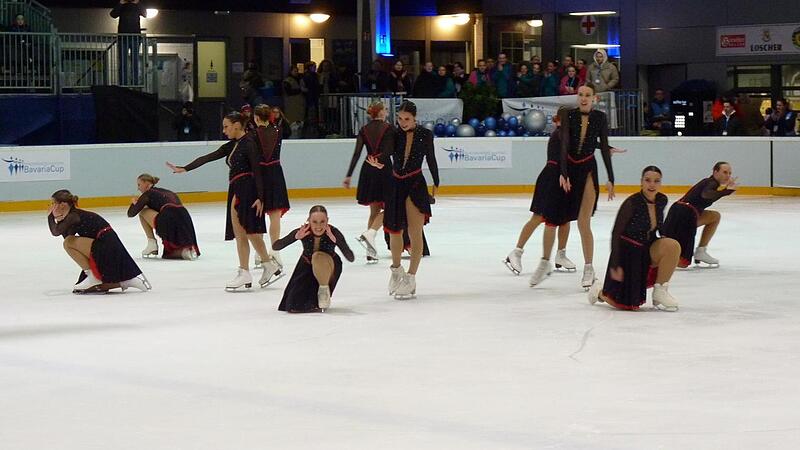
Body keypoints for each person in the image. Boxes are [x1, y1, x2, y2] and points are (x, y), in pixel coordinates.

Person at [166, 112, 274, 291]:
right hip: (237, 189)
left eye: (226, 126)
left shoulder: (249, 143)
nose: (224, 130)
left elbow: (258, 171)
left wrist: (260, 197)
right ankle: (248, 271)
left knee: (250, 233)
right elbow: (208, 157)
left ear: (237, 125)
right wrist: (185, 168)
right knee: (241, 234)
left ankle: (261, 266)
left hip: (248, 190)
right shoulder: (233, 145)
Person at [365, 101, 439, 299]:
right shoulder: (394, 133)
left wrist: (436, 180)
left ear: (415, 118)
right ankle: (396, 270)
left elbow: (431, 158)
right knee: (394, 230)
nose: (403, 122)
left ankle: (411, 277)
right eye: (399, 118)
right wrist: (379, 161)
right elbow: (387, 151)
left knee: (415, 232)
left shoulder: (425, 134)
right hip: (396, 184)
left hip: (415, 184)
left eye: (407, 119)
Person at [587, 166, 680, 311]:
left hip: (648, 247)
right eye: (648, 180)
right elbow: (616, 233)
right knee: (627, 306)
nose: (652, 184)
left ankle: (660, 291)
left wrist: (665, 241)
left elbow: (659, 224)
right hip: (628, 253)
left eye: (656, 181)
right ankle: (599, 291)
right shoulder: (632, 203)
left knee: (673, 245)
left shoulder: (662, 200)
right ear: (641, 182)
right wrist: (615, 264)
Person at [504, 107, 576, 283]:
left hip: (564, 178)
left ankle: (561, 254)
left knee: (565, 218)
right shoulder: (559, 135)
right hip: (551, 179)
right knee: (538, 217)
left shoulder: (569, 135)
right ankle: (516, 252)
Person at [559, 83, 619, 289]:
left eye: (588, 95)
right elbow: (564, 144)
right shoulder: (568, 115)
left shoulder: (600, 117)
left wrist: (611, 178)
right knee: (562, 217)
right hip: (570, 170)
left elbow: (603, 147)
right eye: (581, 95)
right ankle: (558, 254)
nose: (584, 98)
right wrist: (563, 172)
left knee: (583, 222)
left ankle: (589, 267)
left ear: (595, 98)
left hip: (588, 170)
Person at [48, 189, 150, 294]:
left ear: (62, 205)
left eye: (53, 203)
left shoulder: (73, 216)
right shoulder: (73, 215)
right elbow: (67, 235)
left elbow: (57, 233)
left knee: (68, 243)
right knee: (84, 289)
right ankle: (125, 282)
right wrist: (59, 220)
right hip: (104, 244)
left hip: (106, 245)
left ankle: (92, 275)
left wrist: (50, 217)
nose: (51, 206)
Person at [274, 205, 355, 313]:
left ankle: (324, 291)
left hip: (328, 266)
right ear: (309, 220)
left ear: (327, 220)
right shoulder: (303, 231)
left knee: (317, 256)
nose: (318, 226)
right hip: (306, 266)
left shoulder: (333, 232)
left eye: (322, 221)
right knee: (294, 305)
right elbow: (276, 246)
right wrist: (295, 237)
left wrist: (336, 240)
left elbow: (350, 257)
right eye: (315, 222)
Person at [343, 101, 394, 263]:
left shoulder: (364, 129)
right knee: (391, 208)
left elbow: (357, 153)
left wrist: (349, 175)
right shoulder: (388, 128)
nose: (387, 112)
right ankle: (370, 234)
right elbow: (389, 151)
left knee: (374, 211)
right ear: (380, 112)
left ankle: (370, 250)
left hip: (368, 169)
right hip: (383, 169)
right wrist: (379, 161)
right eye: (385, 109)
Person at [662, 162, 738, 268]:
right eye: (725, 172)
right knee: (680, 262)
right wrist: (726, 192)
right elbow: (706, 194)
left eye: (729, 173)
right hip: (684, 214)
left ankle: (701, 251)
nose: (728, 176)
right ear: (715, 172)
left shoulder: (710, 182)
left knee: (715, 216)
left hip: (682, 211)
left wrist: (725, 192)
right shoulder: (712, 182)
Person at [251, 104, 290, 281]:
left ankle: (259, 253)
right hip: (275, 174)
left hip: (259, 175)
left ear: (257, 118)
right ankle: (275, 250)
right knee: (275, 216)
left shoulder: (253, 134)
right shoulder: (278, 131)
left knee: (257, 215)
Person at [127, 173, 200, 260]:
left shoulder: (148, 194)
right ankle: (186, 251)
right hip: (185, 219)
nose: (138, 188)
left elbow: (131, 213)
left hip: (169, 216)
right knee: (169, 254)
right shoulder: (167, 192)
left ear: (146, 183)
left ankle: (152, 243)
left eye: (139, 184)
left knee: (143, 212)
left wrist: (134, 203)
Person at [110, 0, 146, 85]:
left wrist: (137, 3)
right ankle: (124, 83)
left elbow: (145, 14)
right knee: (123, 62)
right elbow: (113, 14)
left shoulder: (136, 5)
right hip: (124, 37)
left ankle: (135, 83)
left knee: (135, 61)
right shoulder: (123, 5)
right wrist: (121, 3)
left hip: (134, 37)